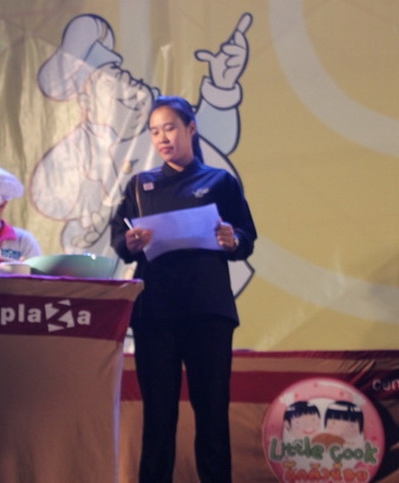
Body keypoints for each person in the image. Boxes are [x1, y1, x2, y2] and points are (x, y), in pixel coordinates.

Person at [110, 95, 257, 482]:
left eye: (170, 128)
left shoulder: (219, 182)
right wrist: (131, 242)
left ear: (191, 129)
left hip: (207, 313)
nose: (162, 138)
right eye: (155, 131)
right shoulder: (141, 185)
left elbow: (246, 237)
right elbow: (118, 240)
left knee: (212, 413)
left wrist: (233, 239)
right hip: (155, 315)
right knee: (158, 416)